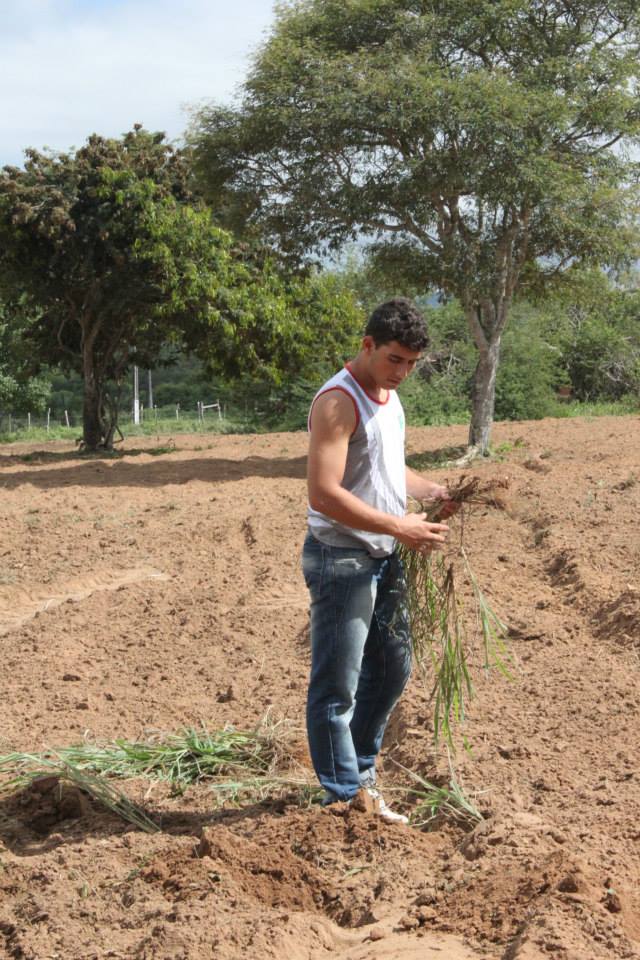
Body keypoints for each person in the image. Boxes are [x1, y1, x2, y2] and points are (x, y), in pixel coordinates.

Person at [302, 298, 456, 824]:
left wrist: (431, 491)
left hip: (384, 552)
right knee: (336, 685)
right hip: (341, 557)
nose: (403, 372)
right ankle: (346, 797)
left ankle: (360, 771)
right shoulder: (338, 402)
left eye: (412, 363)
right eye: (395, 359)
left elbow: (388, 468)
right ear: (367, 345)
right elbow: (324, 493)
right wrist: (399, 526)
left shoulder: (389, 397)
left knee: (392, 666)